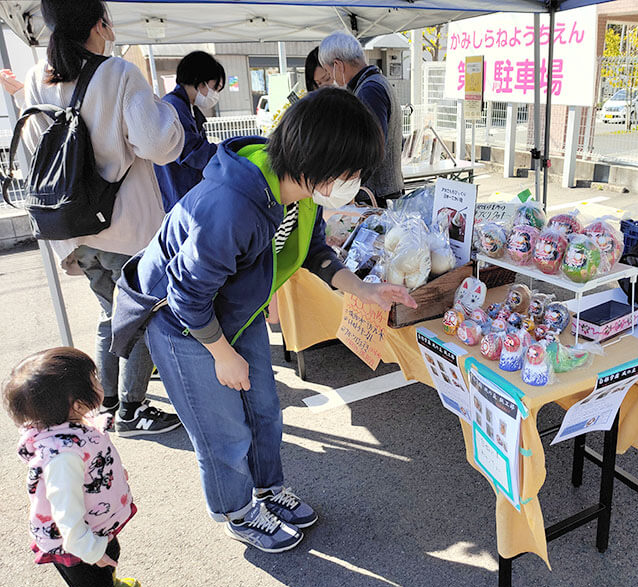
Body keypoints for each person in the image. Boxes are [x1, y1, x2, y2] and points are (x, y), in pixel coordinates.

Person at [111, 87, 417, 553]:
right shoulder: (231, 204)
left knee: (265, 410)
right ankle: (237, 510)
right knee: (223, 429)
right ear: (321, 161)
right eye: (352, 171)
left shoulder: (302, 189)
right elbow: (187, 294)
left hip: (236, 308)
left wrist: (366, 290)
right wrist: (221, 353)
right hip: (181, 320)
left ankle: (267, 489)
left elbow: (313, 251)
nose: (355, 181)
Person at [0, 0, 184, 437]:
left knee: (110, 314)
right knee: (144, 315)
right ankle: (133, 410)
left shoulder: (35, 78)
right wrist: (165, 108)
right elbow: (160, 145)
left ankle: (103, 401)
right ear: (102, 23)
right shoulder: (119, 74)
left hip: (74, 230)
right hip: (126, 229)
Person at [3, 347, 143, 587]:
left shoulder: (72, 423)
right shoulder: (62, 457)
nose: (99, 383)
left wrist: (114, 473)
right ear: (77, 404)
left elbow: (94, 461)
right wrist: (91, 551)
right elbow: (66, 515)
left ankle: (109, 584)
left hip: (96, 523)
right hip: (77, 546)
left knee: (110, 555)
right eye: (95, 380)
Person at [319, 31, 404, 207]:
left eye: (329, 72)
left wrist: (346, 186)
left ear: (338, 65)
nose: (332, 79)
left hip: (376, 196)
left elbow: (371, 148)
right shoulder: (376, 82)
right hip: (385, 191)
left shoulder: (369, 90)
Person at [154, 51, 225, 212]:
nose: (215, 95)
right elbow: (191, 152)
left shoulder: (187, 107)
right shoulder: (174, 107)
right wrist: (225, 150)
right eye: (215, 88)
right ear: (200, 83)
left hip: (184, 193)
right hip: (177, 196)